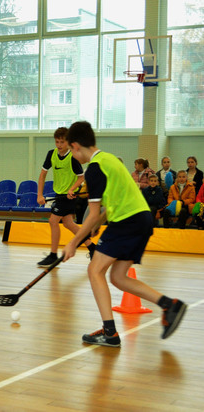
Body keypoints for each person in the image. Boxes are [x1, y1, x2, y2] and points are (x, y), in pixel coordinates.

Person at [62, 121, 186, 347]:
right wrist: (98, 223)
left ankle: (110, 333)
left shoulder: (95, 169)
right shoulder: (110, 160)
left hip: (127, 222)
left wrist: (72, 243)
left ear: (76, 145)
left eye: (70, 150)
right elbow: (106, 208)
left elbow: (90, 215)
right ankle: (170, 304)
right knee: (118, 277)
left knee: (94, 270)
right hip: (142, 220)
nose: (71, 154)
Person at [36, 127, 96, 267]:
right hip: (59, 194)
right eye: (57, 142)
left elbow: (81, 178)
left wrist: (72, 189)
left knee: (53, 221)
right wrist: (40, 194)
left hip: (68, 196)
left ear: (68, 143)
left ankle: (52, 255)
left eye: (62, 142)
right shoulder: (51, 154)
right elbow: (42, 175)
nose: (59, 145)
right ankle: (92, 248)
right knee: (69, 223)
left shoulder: (73, 158)